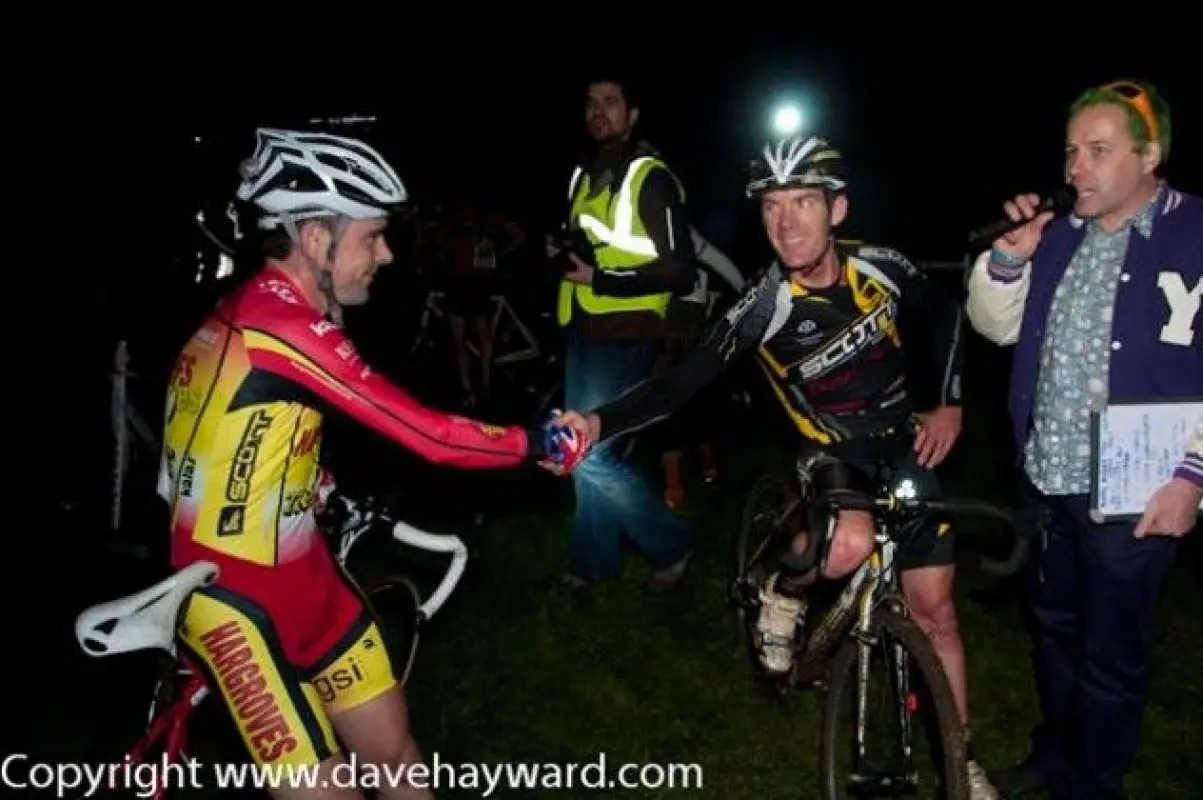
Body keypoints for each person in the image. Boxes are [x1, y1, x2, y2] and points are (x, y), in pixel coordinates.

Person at [553, 133, 999, 798]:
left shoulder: (881, 265)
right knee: (844, 544)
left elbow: (947, 317)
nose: (785, 221)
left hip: (903, 442)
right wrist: (597, 421)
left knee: (936, 612)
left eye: (802, 203)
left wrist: (948, 404)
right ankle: (782, 591)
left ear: (837, 210)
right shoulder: (762, 302)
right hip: (827, 447)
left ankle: (959, 763)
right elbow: (680, 385)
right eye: (771, 207)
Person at [157, 128, 587, 800]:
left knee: (398, 759)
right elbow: (430, 435)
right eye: (373, 236)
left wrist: (313, 486)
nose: (386, 254)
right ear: (318, 239)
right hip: (233, 600)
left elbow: (223, 443)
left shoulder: (278, 308)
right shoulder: (280, 325)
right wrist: (538, 444)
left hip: (309, 581)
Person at [965, 80, 1202, 800]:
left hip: (1140, 492)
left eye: (1098, 151)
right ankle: (1056, 754)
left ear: (1148, 155)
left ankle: (1094, 783)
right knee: (1053, 633)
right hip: (1045, 477)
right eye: (1070, 151)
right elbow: (993, 326)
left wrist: (1193, 475)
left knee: (1110, 652)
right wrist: (1009, 257)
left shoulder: (1194, 233)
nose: (1075, 169)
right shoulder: (1057, 234)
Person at [545, 74, 696, 589]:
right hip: (585, 325)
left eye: (610, 102)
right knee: (582, 446)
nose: (598, 112)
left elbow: (682, 271)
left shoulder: (650, 177)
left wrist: (601, 277)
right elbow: (595, 245)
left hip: (629, 329)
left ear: (633, 114)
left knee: (588, 451)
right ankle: (592, 565)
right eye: (590, 103)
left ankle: (670, 543)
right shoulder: (584, 175)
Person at [658, 227, 745, 508]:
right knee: (670, 414)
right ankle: (675, 489)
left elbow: (733, 279)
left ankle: (707, 474)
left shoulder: (695, 248)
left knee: (698, 412)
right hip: (666, 341)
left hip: (694, 342)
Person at [441, 201, 498, 408]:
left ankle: (479, 385)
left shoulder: (463, 231)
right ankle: (479, 384)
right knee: (472, 339)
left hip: (467, 286)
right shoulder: (470, 231)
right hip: (469, 286)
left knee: (467, 340)